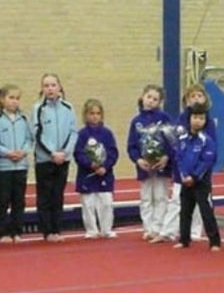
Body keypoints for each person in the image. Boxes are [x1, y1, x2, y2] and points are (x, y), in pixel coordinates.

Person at [151, 85, 209, 243]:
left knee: (200, 202)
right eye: (192, 96)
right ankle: (167, 231)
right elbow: (175, 144)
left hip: (200, 172)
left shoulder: (208, 120)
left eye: (199, 96)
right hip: (182, 171)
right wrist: (169, 158)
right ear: (186, 100)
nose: (196, 99)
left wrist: (201, 169)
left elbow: (211, 146)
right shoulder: (181, 119)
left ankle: (195, 231)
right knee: (176, 201)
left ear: (205, 99)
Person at [31, 73, 78, 242]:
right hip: (45, 159)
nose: (50, 89)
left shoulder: (68, 107)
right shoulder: (38, 108)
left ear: (59, 87)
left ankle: (57, 229)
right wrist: (52, 153)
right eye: (46, 86)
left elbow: (73, 132)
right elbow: (37, 134)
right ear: (42, 89)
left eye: (53, 85)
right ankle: (47, 231)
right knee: (45, 195)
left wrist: (65, 152)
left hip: (63, 159)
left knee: (58, 195)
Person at [126, 84, 173, 241]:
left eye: (155, 99)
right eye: (149, 97)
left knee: (160, 197)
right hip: (144, 166)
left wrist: (166, 157)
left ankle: (158, 227)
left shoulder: (164, 118)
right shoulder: (136, 121)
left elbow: (171, 141)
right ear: (142, 97)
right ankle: (148, 228)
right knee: (146, 198)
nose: (151, 101)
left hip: (162, 166)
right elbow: (131, 146)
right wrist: (138, 160)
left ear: (160, 102)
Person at [174, 103, 221, 250]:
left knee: (205, 211)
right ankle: (184, 239)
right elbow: (179, 158)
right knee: (185, 211)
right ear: (189, 119)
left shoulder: (207, 141)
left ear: (205, 121)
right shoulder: (183, 139)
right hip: (185, 181)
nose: (197, 121)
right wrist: (183, 175)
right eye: (195, 117)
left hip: (201, 183)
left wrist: (194, 177)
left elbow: (206, 161)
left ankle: (214, 241)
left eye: (201, 118)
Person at [74, 99, 119, 239]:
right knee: (88, 204)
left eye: (98, 113)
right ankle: (91, 230)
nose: (95, 116)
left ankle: (106, 229)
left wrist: (105, 166)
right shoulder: (81, 134)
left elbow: (113, 153)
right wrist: (90, 164)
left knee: (106, 203)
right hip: (87, 175)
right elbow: (78, 154)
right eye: (91, 113)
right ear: (85, 115)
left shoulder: (107, 133)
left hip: (104, 174)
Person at [0, 84, 33, 244]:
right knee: (3, 200)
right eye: (11, 98)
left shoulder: (24, 119)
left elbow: (29, 139)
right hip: (4, 167)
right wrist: (7, 153)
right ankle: (3, 232)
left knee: (18, 200)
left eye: (17, 98)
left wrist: (23, 151)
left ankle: (17, 231)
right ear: (2, 99)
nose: (14, 101)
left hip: (20, 166)